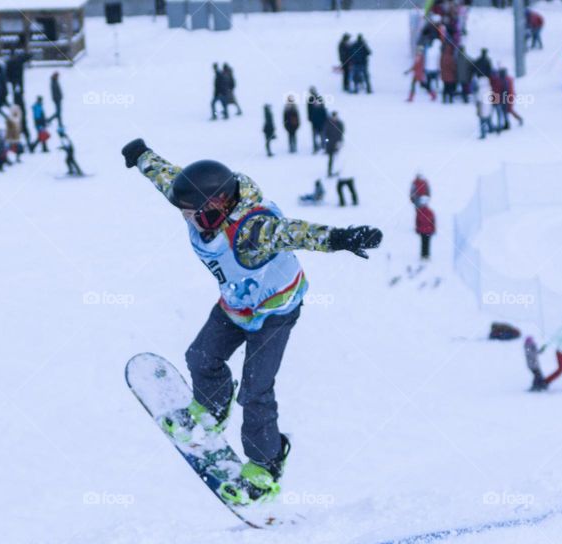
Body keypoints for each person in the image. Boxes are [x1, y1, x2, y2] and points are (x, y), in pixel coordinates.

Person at [120, 138, 382, 503]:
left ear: (215, 205)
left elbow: (294, 232)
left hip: (275, 311)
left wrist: (340, 238)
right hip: (236, 304)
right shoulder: (196, 204)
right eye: (183, 210)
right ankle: (210, 409)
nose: (185, 217)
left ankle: (266, 465)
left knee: (256, 391)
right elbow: (169, 178)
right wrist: (141, 156)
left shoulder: (251, 232)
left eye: (191, 211)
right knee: (201, 356)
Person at [540, 316, 562, 389]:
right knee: (560, 370)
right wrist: (545, 346)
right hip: (561, 353)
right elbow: (553, 339)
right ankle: (545, 382)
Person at [306, 87, 326, 154]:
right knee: (315, 135)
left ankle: (323, 146)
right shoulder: (310, 99)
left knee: (321, 135)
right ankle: (316, 147)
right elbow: (309, 111)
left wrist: (324, 119)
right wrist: (310, 118)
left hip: (320, 121)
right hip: (314, 121)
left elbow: (323, 110)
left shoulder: (319, 98)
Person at [414, 196, 436, 260]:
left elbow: (417, 221)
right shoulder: (430, 212)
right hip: (428, 231)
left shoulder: (420, 212)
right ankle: (426, 255)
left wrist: (417, 228)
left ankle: (423, 255)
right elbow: (433, 222)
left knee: (423, 243)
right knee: (427, 243)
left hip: (422, 231)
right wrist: (433, 229)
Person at [324, 111, 344, 177]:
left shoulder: (339, 124)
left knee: (337, 158)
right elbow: (325, 134)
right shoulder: (328, 124)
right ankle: (329, 172)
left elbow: (341, 133)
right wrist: (327, 142)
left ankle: (336, 171)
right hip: (330, 145)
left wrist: (340, 142)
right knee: (330, 158)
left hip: (337, 144)